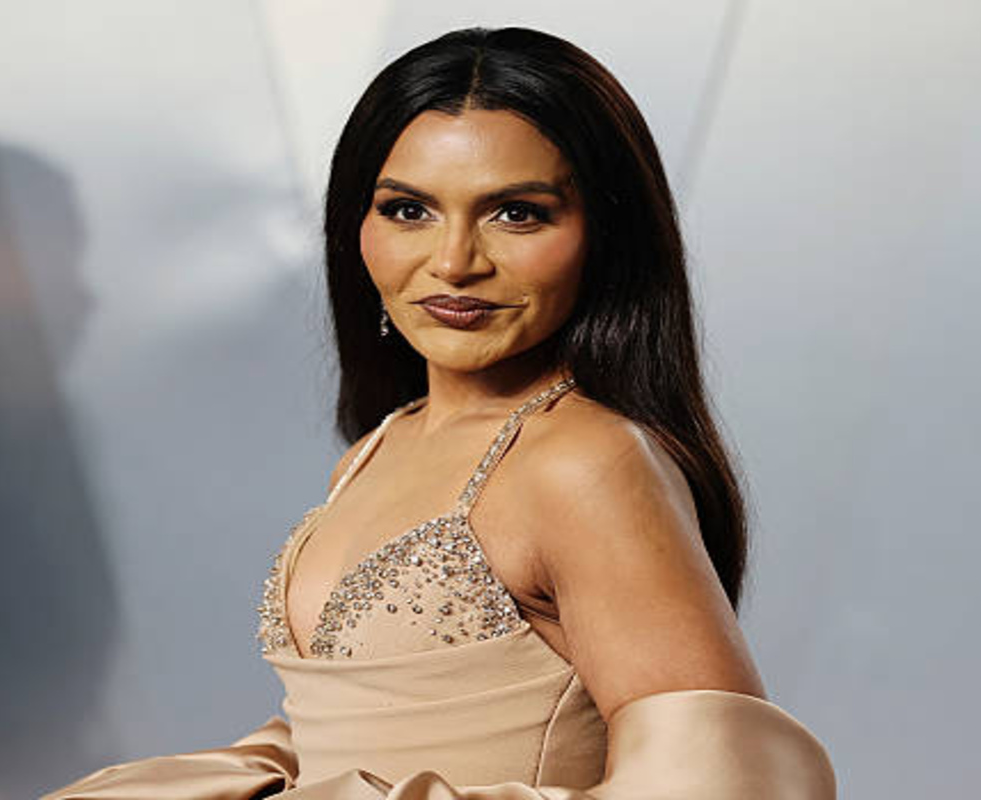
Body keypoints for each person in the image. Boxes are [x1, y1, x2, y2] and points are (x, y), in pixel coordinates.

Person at [43, 25, 835, 799]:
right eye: (408, 210)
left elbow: (728, 782)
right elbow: (354, 732)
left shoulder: (585, 461)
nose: (455, 262)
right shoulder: (383, 443)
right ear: (357, 225)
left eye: (516, 212)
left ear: (604, 236)